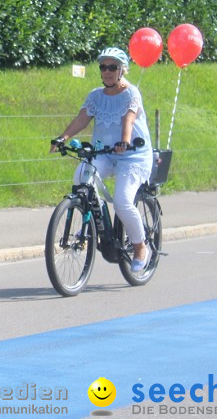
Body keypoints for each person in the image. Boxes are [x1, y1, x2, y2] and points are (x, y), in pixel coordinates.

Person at [50, 47, 154, 273]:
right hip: (103, 153)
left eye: (112, 67)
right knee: (81, 177)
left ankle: (140, 247)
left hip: (132, 156)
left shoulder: (131, 93)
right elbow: (82, 119)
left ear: (122, 70)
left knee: (122, 202)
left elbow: (128, 119)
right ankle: (91, 221)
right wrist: (62, 138)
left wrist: (125, 141)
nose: (107, 71)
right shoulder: (96, 95)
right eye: (103, 67)